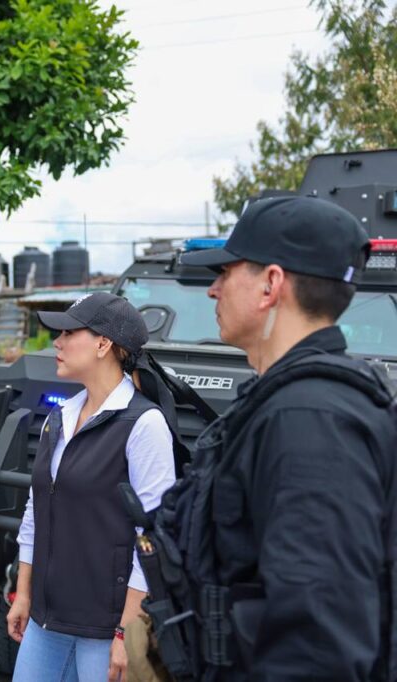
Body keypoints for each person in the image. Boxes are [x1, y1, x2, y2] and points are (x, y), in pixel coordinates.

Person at [146, 195, 397, 681]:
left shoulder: (310, 420)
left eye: (226, 273)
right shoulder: (284, 403)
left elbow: (319, 641)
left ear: (271, 284)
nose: (213, 290)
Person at [6, 292, 177, 682]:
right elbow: (35, 512)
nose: (57, 342)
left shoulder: (143, 424)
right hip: (46, 622)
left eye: (69, 333)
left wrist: (128, 632)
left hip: (105, 629)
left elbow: (154, 535)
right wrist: (24, 594)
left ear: (103, 344)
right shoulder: (59, 417)